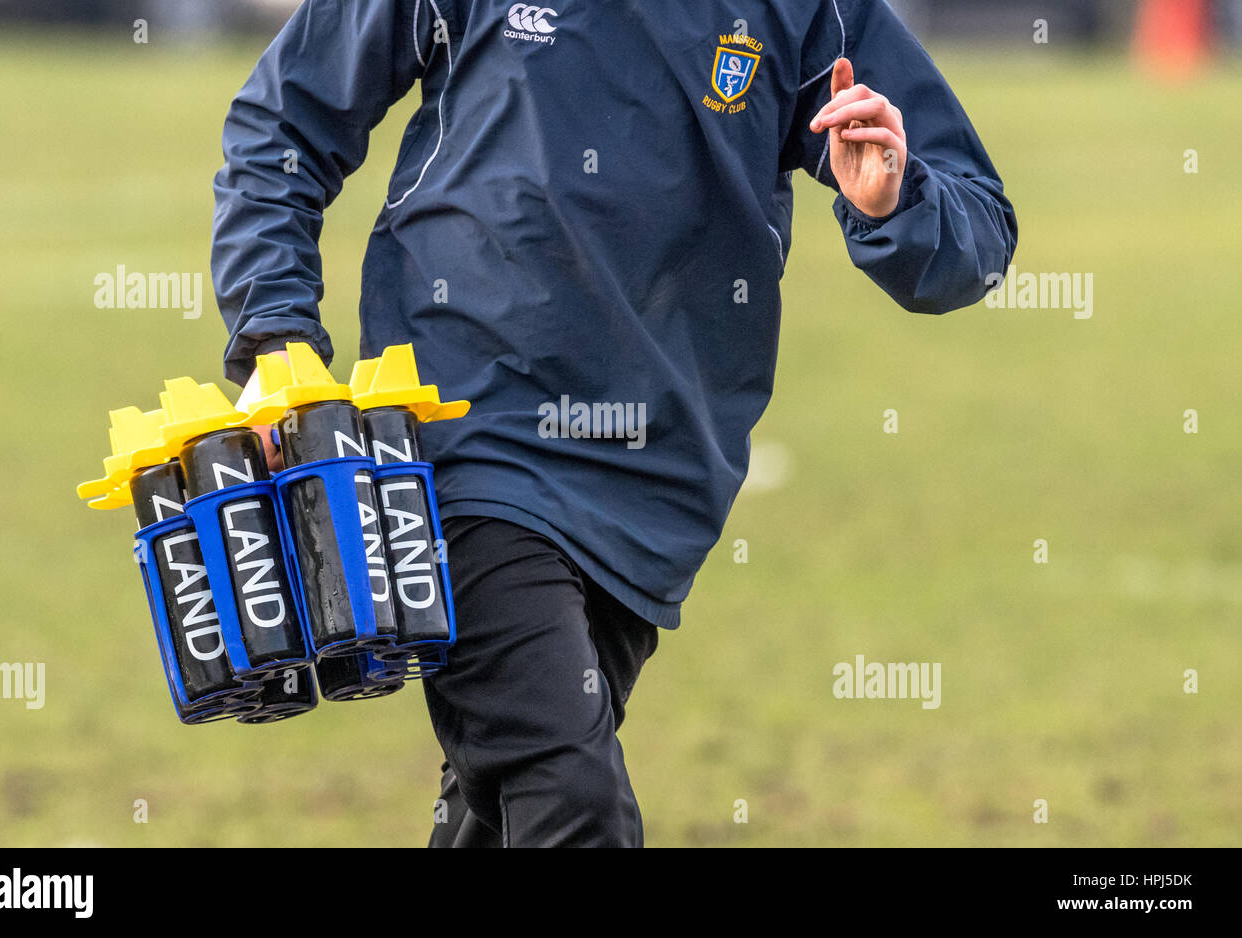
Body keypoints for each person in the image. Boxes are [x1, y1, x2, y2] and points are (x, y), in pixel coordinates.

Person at [212, 0, 1017, 847]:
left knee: (504, 807)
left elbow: (979, 231)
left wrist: (896, 199)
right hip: (460, 439)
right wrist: (275, 339)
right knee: (571, 797)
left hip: (657, 481)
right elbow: (282, 118)